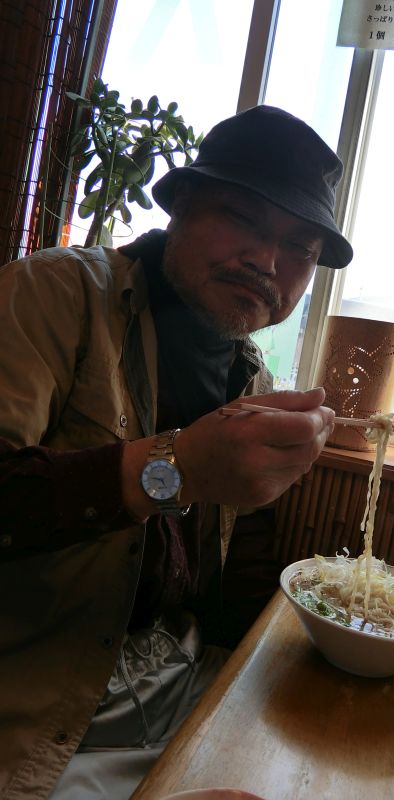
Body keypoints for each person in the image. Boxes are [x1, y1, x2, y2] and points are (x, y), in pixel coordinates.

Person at [0, 104, 353, 799]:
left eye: (301, 249)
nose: (267, 262)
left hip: (184, 679)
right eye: (244, 219)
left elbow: (244, 560)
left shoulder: (251, 379)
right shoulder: (55, 293)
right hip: (42, 707)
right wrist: (176, 467)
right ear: (181, 203)